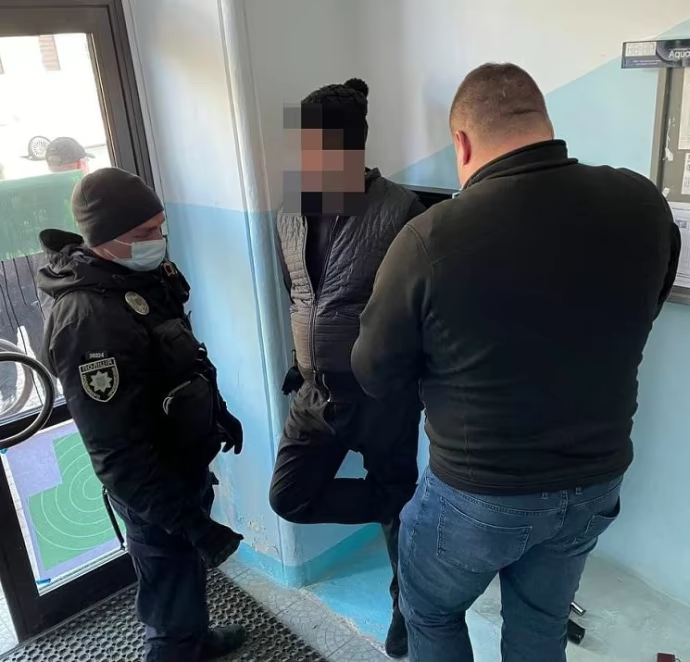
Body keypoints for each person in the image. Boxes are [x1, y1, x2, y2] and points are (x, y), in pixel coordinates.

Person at [351, 63, 680, 662]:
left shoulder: (430, 238)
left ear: (462, 143)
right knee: (540, 625)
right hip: (594, 485)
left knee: (430, 609)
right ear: (542, 123)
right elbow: (646, 307)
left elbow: (374, 373)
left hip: (478, 493)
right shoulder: (643, 203)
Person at [37, 167, 247, 662]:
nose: (159, 239)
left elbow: (181, 352)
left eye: (159, 226)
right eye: (145, 232)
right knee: (167, 590)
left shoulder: (135, 275)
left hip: (182, 463)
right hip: (152, 489)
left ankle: (196, 639)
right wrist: (191, 524)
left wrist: (219, 415)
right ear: (106, 237)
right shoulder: (88, 320)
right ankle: (177, 647)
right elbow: (115, 454)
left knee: (183, 574)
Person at [269, 78, 426, 658]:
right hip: (315, 394)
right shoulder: (290, 211)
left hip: (381, 395)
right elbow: (299, 296)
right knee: (290, 498)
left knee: (397, 510)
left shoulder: (401, 210)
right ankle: (399, 502)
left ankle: (406, 608)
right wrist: (300, 362)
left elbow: (418, 308)